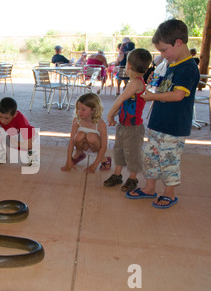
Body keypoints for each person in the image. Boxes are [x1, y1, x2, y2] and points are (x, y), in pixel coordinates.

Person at [126, 19, 200, 209]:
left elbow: (178, 95)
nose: (162, 55)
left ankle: (169, 193)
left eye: (164, 50)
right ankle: (150, 188)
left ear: (178, 42)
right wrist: (155, 81)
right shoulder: (170, 64)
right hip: (158, 123)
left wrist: (152, 97)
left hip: (174, 127)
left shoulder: (188, 67)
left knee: (168, 160)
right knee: (150, 156)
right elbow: (165, 87)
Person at [104, 48, 153, 192]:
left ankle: (132, 178)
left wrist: (110, 115)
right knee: (119, 150)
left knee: (132, 153)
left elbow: (120, 99)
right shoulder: (133, 83)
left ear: (129, 65)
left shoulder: (136, 83)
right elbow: (126, 104)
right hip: (123, 125)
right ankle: (117, 175)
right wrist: (116, 115)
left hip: (133, 128)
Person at [61, 92, 110, 173]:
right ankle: (79, 153)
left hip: (96, 146)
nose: (79, 112)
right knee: (79, 135)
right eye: (78, 108)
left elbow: (103, 147)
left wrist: (94, 166)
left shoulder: (101, 124)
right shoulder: (77, 121)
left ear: (93, 110)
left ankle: (103, 159)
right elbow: (71, 142)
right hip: (84, 145)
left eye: (83, 109)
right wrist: (68, 161)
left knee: (91, 137)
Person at [0, 97, 37, 165]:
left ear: (14, 115)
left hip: (20, 137)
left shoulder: (20, 119)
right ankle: (1, 152)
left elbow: (28, 143)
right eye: (0, 117)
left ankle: (31, 154)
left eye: (6, 118)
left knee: (29, 143)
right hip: (9, 137)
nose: (3, 120)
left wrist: (15, 143)